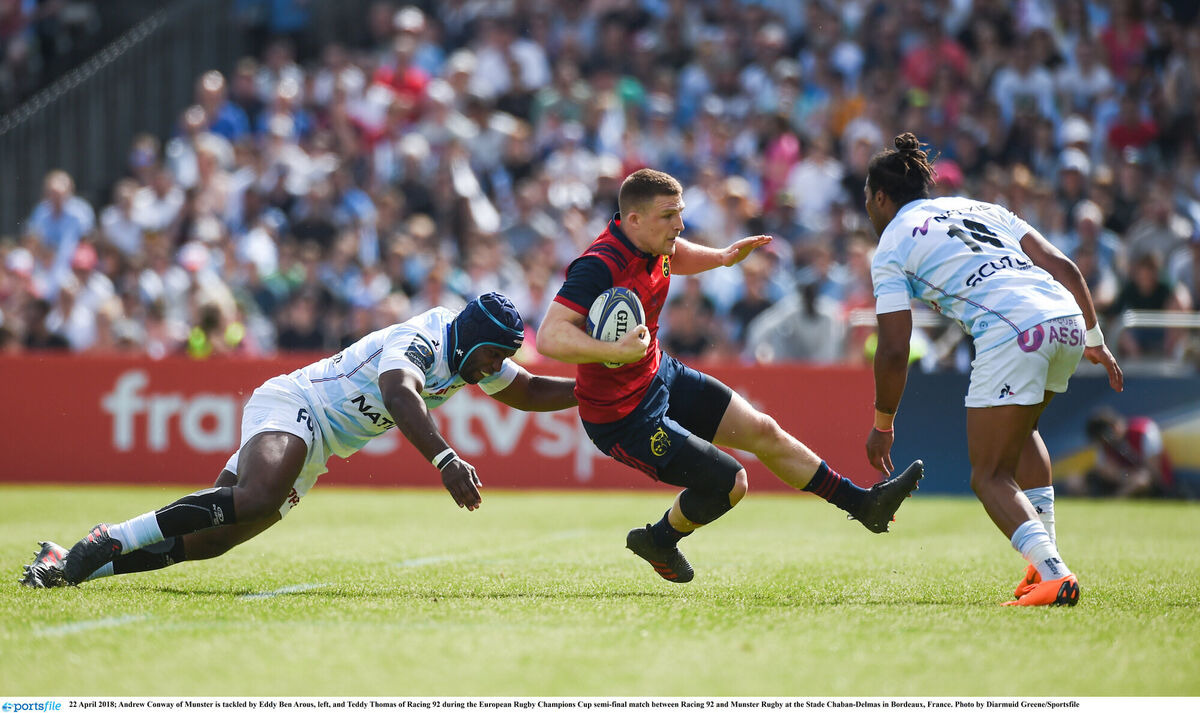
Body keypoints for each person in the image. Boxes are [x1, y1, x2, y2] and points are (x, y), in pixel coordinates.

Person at [21, 293, 577, 588]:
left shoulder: (470, 355)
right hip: (297, 403)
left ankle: (71, 563)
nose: (496, 367)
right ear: (475, 339)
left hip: (320, 445)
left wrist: (593, 393)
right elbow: (398, 392)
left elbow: (528, 391)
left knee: (213, 540)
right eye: (495, 356)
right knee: (257, 497)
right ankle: (111, 536)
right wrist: (445, 458)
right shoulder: (424, 338)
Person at [536, 168, 924, 584]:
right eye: (668, 216)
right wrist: (615, 352)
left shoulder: (651, 240)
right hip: (622, 417)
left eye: (680, 213)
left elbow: (673, 255)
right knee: (731, 483)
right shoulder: (599, 265)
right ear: (634, 219)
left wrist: (721, 257)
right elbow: (549, 336)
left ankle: (864, 505)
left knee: (764, 431)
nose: (679, 224)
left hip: (658, 375)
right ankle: (660, 540)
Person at [863, 133, 1124, 607]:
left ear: (881, 198)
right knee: (1023, 435)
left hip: (1015, 331)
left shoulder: (891, 245)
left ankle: (1055, 575)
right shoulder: (979, 207)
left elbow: (895, 349)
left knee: (988, 475)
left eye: (866, 199)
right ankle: (1042, 566)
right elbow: (1063, 265)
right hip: (1065, 318)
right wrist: (1095, 339)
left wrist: (883, 423)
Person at [1081, 407, 1174, 498]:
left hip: (1155, 487)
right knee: (1077, 481)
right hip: (1123, 481)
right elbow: (1105, 470)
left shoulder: (1144, 431)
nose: (1105, 444)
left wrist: (1126, 476)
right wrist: (1123, 475)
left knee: (1140, 481)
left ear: (1115, 427)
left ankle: (1114, 502)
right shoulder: (1105, 444)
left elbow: (1153, 473)